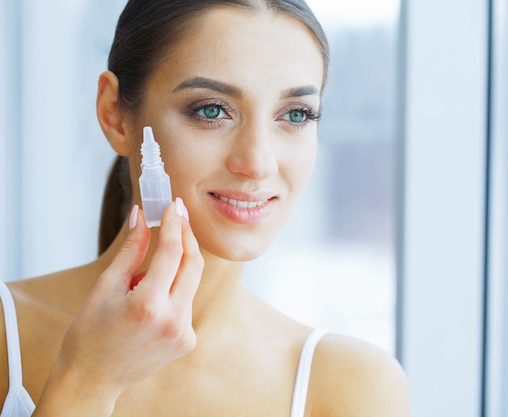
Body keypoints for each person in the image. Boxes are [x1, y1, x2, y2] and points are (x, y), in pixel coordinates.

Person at [0, 0, 411, 416]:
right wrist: (89, 378)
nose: (258, 163)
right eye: (211, 110)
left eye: (296, 115)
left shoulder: (353, 386)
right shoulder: (6, 336)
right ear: (115, 116)